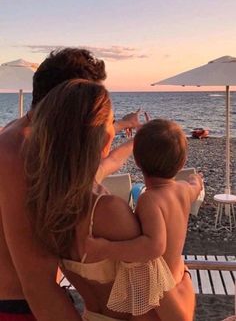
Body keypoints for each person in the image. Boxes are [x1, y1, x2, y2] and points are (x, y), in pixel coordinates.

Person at [24, 79, 184, 321]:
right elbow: (173, 317)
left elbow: (110, 162)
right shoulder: (109, 211)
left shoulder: (48, 199)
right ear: (101, 135)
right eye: (112, 122)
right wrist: (184, 279)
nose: (115, 127)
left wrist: (137, 140)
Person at [0, 48, 140, 320]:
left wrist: (133, 141)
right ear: (66, 98)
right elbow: (36, 283)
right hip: (19, 308)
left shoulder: (39, 142)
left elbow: (103, 166)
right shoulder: (17, 150)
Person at [86, 119, 203, 321]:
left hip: (156, 292)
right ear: (182, 162)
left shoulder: (150, 199)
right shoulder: (183, 190)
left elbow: (153, 246)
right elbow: (195, 187)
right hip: (176, 276)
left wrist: (105, 248)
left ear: (138, 162)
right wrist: (197, 180)